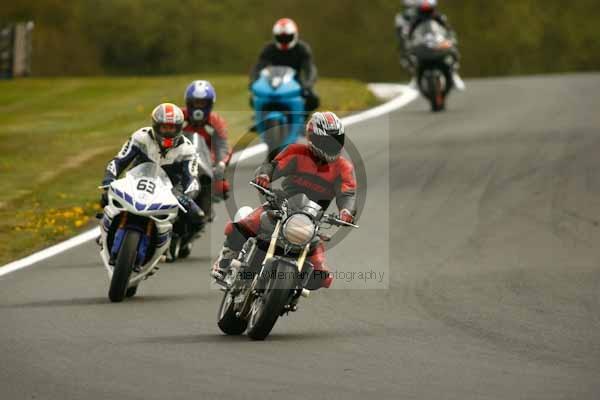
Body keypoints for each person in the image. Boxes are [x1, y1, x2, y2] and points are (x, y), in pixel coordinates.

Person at [211, 111, 357, 290]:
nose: (332, 145)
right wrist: (264, 176)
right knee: (244, 225)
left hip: (311, 221)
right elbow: (274, 166)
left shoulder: (343, 167)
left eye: (336, 140)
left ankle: (292, 292)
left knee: (322, 275)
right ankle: (224, 262)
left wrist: (346, 212)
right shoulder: (297, 151)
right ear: (313, 138)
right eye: (327, 141)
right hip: (282, 206)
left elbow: (347, 194)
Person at [100, 103, 204, 231]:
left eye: (172, 128)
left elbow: (192, 179)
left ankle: (174, 237)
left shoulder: (188, 150)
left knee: (191, 219)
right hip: (135, 182)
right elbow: (119, 161)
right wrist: (109, 180)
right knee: (107, 202)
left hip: (170, 191)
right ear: (155, 125)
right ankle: (106, 231)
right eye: (164, 127)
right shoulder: (140, 137)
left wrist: (187, 197)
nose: (168, 132)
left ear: (179, 128)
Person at [182, 80, 232, 221]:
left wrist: (221, 164)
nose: (199, 107)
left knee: (222, 187)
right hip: (179, 157)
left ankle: (205, 207)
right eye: (195, 103)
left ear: (210, 105)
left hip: (205, 161)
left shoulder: (216, 121)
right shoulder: (179, 117)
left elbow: (223, 146)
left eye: (203, 103)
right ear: (188, 103)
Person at [250, 18, 320, 113]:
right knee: (254, 98)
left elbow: (309, 69)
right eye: (281, 38)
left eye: (287, 38)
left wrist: (308, 85)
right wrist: (253, 82)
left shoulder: (302, 49)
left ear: (294, 35)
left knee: (313, 100)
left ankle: (303, 116)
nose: (284, 41)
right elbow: (258, 67)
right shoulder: (269, 49)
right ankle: (260, 118)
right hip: (272, 83)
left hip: (295, 84)